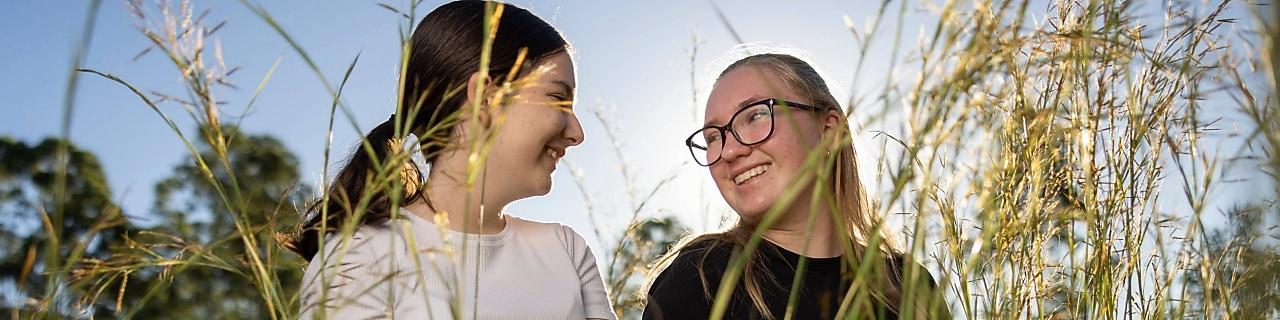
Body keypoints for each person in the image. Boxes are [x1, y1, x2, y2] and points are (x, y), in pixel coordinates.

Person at [282, 1, 616, 319]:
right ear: (485, 96)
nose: (576, 132)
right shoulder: (359, 254)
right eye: (558, 99)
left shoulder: (566, 250)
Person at [643, 51, 948, 319]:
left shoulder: (908, 286)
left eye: (756, 115)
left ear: (828, 129)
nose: (730, 150)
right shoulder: (701, 275)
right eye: (713, 137)